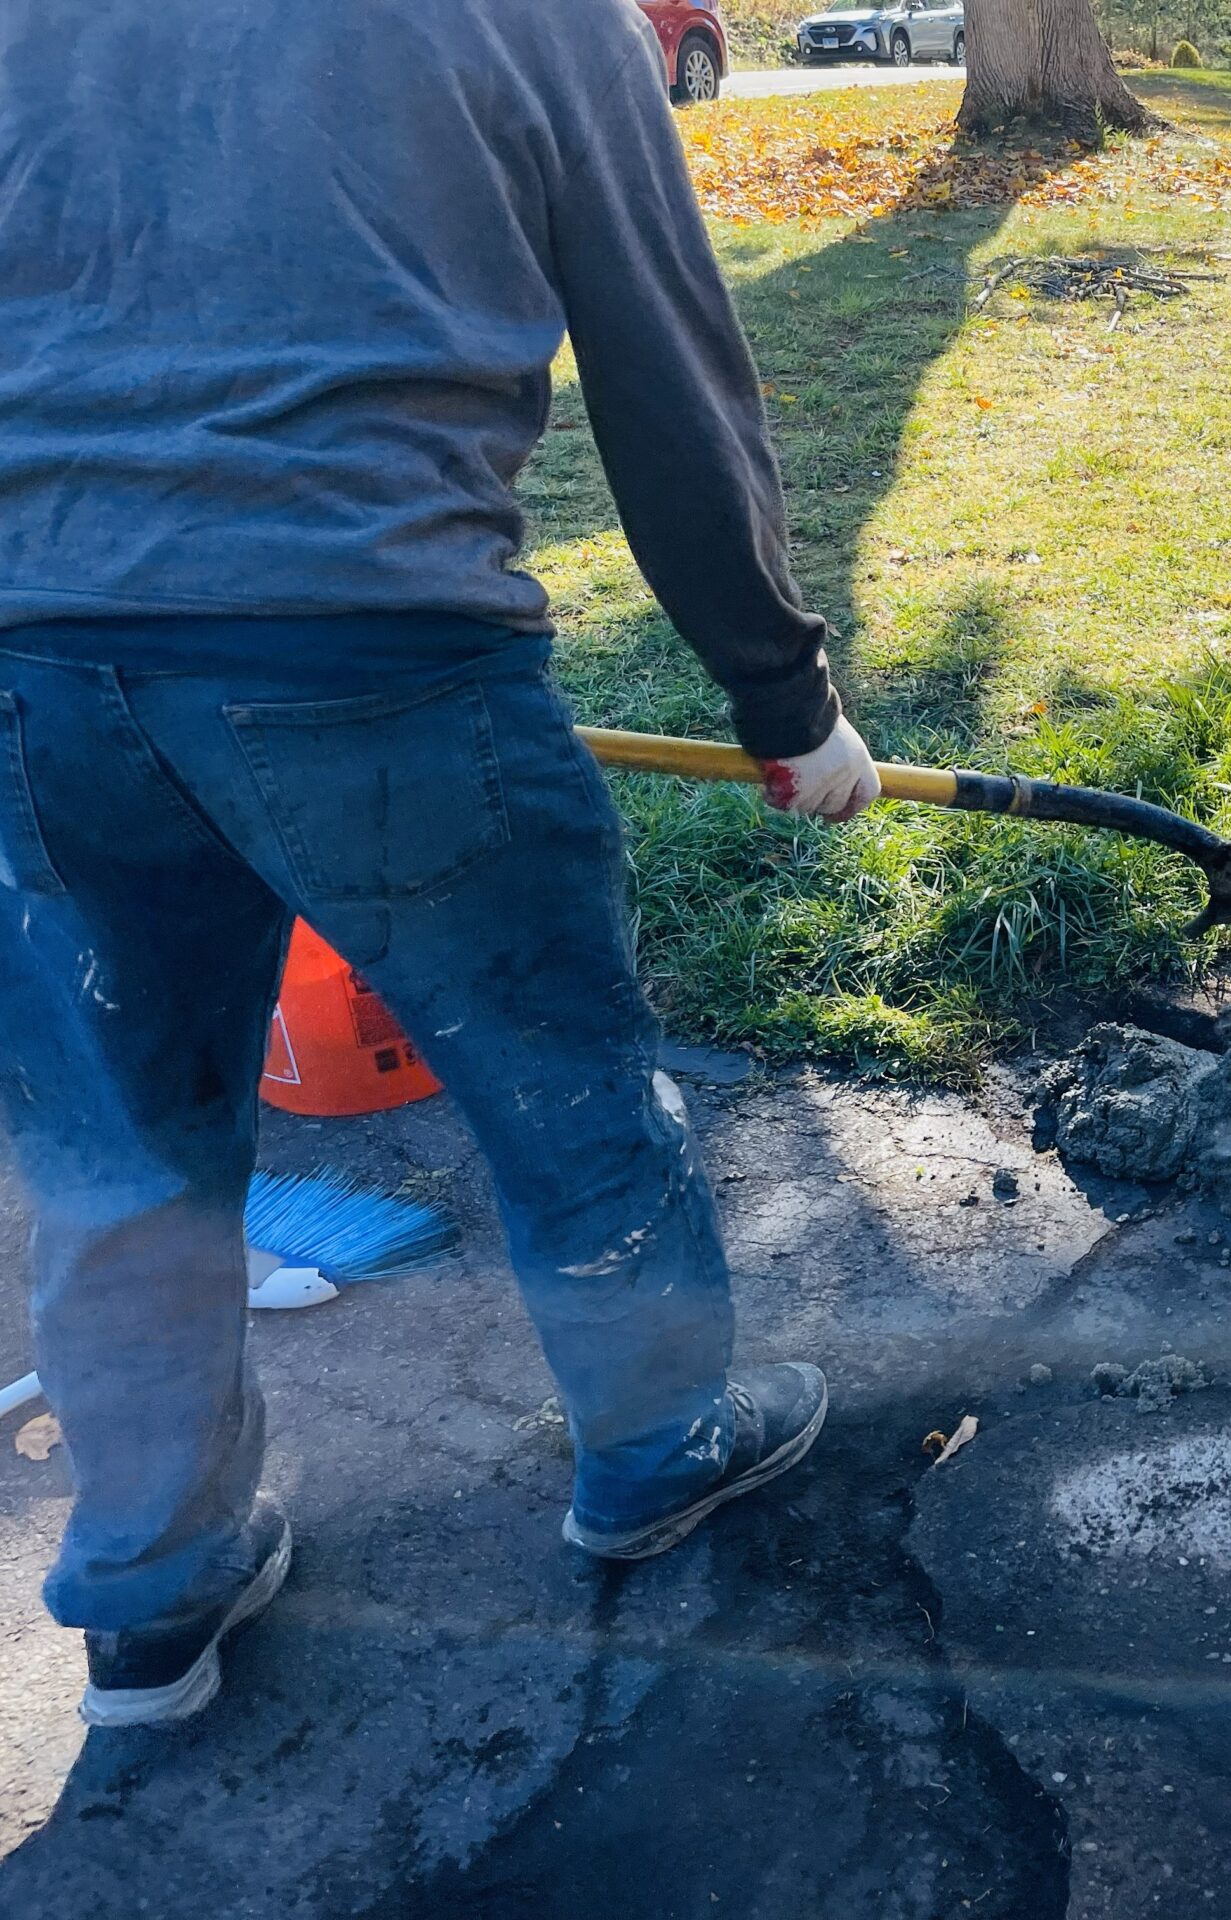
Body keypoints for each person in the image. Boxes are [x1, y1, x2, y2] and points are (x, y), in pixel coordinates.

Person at [0, 0, 879, 1727]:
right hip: (376, 654)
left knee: (119, 1149)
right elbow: (669, 369)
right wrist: (785, 695)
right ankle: (654, 1447)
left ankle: (150, 1598)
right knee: (564, 1081)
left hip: (35, 668)